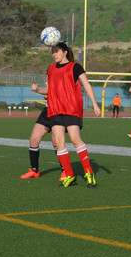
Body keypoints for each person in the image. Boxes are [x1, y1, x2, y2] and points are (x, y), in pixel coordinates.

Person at [35, 42, 101, 188]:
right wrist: (38, 90)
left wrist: (95, 104)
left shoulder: (75, 67)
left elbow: (87, 85)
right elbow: (49, 90)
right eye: (52, 52)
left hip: (71, 108)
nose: (54, 54)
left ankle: (89, 173)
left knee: (75, 139)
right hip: (55, 108)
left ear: (65, 52)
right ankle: (70, 175)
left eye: (56, 51)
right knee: (58, 141)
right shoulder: (51, 69)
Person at [20, 92, 66, 181]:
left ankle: (65, 170)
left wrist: (42, 91)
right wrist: (46, 95)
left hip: (60, 110)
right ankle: (34, 170)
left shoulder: (65, 78)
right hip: (48, 110)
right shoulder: (49, 78)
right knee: (33, 140)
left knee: (56, 140)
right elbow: (48, 91)